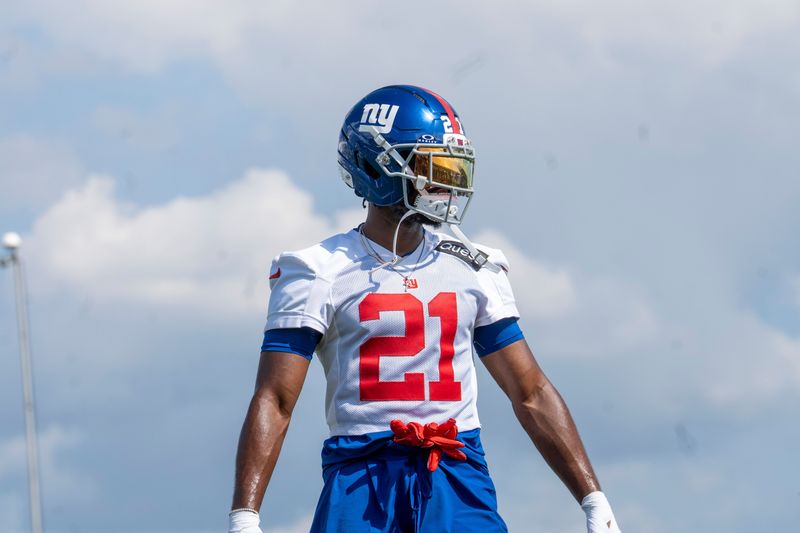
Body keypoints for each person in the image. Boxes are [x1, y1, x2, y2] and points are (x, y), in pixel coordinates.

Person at [229, 85, 622, 533]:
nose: (445, 181)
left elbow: (529, 390)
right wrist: (245, 515)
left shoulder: (474, 265)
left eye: (451, 166)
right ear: (375, 166)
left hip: (456, 471)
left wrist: (593, 499)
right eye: (428, 165)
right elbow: (276, 399)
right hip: (361, 478)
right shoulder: (318, 270)